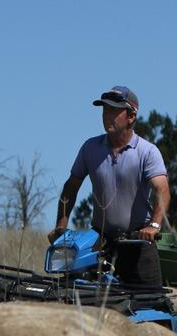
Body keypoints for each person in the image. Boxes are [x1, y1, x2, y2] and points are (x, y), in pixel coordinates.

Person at [49, 85, 170, 289]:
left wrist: (154, 226)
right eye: (105, 110)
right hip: (98, 242)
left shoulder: (147, 152)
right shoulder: (90, 148)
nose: (107, 115)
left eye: (114, 111)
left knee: (152, 304)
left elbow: (162, 191)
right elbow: (71, 188)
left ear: (131, 116)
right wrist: (61, 225)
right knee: (75, 294)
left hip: (137, 242)